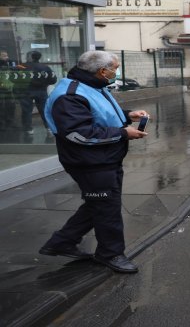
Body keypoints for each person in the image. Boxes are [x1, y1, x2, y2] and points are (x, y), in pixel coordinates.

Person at [39, 51, 148, 274]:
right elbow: (79, 133)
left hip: (104, 158)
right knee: (107, 208)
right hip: (90, 162)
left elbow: (98, 114)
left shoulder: (91, 85)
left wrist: (128, 116)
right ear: (102, 71)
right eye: (114, 68)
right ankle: (110, 254)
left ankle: (61, 242)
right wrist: (123, 133)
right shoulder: (70, 94)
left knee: (97, 203)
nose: (116, 72)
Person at [20, 51, 56, 134]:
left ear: (30, 57)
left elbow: (13, 77)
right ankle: (49, 127)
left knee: (27, 111)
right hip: (41, 91)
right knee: (44, 110)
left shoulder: (22, 66)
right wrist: (44, 84)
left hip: (26, 91)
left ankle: (28, 129)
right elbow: (53, 80)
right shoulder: (45, 67)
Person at [0, 49, 16, 128]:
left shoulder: (8, 65)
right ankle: (2, 123)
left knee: (11, 105)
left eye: (7, 55)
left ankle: (10, 121)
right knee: (1, 106)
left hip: (9, 89)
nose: (7, 57)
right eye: (4, 56)